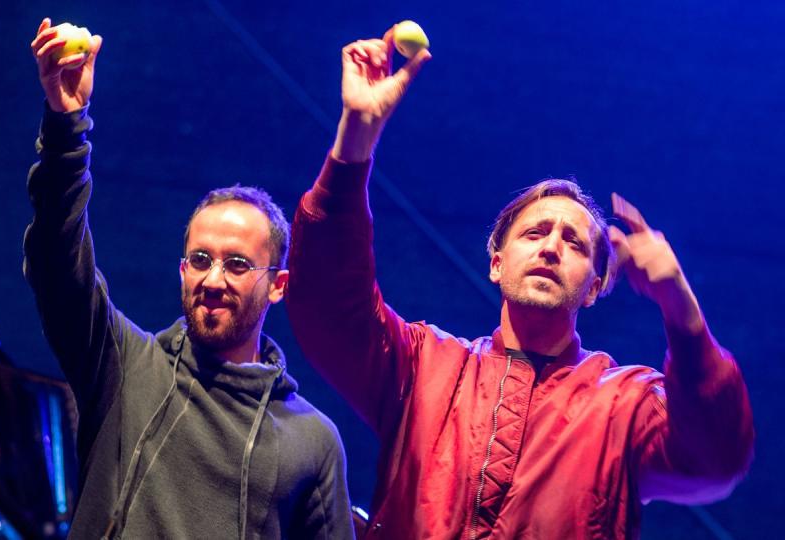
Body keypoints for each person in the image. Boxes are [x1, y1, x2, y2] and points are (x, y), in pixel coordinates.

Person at [285, 28, 754, 539]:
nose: (551, 247)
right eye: (535, 233)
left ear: (595, 287)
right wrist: (356, 139)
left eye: (574, 244)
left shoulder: (625, 404)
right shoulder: (423, 365)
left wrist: (681, 311)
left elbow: (717, 458)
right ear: (496, 263)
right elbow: (328, 304)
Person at [24, 18, 354, 539]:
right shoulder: (126, 368)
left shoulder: (311, 439)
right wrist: (68, 124)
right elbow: (55, 260)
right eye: (200, 259)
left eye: (238, 264)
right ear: (182, 269)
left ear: (278, 284)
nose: (214, 278)